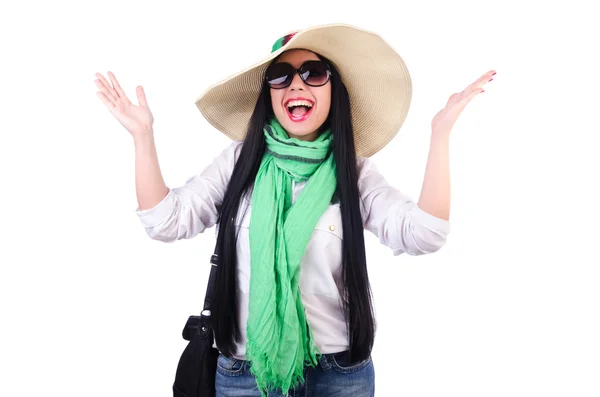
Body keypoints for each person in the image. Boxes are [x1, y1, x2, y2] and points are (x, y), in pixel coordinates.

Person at [95, 23, 495, 397]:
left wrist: (440, 134)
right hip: (244, 375)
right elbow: (166, 222)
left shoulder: (352, 172)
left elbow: (424, 234)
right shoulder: (240, 161)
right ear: (269, 94)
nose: (296, 84)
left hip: (338, 375)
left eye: (313, 72)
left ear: (333, 90)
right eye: (280, 75)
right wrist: (142, 136)